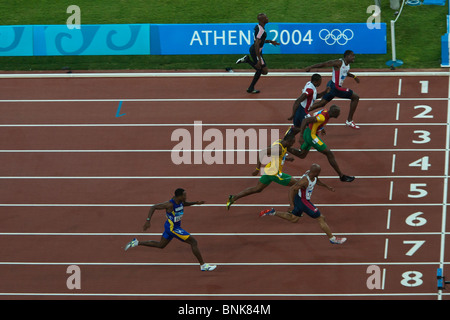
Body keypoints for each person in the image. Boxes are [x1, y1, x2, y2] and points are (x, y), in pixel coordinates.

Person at [124, 188, 216, 272]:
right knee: (193, 242)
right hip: (173, 229)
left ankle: (136, 242)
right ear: (179, 196)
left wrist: (195, 203)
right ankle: (203, 265)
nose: (186, 197)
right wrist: (148, 221)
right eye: (184, 195)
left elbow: (184, 204)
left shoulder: (180, 201)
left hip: (169, 227)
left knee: (161, 245)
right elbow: (154, 207)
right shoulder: (169, 204)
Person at [259, 163, 347, 244]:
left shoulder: (312, 175)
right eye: (319, 172)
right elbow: (292, 189)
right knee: (320, 217)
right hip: (303, 201)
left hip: (299, 199)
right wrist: (291, 205)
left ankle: (272, 212)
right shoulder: (305, 181)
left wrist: (327, 186)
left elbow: (317, 180)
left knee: (294, 219)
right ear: (316, 172)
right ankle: (332, 239)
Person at [226, 132, 298, 210]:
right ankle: (293, 208)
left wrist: (287, 158)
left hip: (269, 170)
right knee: (298, 184)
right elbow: (262, 152)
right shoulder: (278, 149)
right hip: (275, 173)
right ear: (288, 141)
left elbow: (270, 150)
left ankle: (233, 198)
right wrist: (257, 169)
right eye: (292, 143)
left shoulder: (279, 142)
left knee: (258, 188)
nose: (292, 145)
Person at [289, 105, 355, 182]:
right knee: (329, 153)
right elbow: (305, 120)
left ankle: (285, 147)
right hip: (311, 136)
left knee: (302, 155)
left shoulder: (325, 111)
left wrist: (321, 127)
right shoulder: (322, 117)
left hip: (309, 132)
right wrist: (301, 136)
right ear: (334, 113)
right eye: (338, 113)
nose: (339, 115)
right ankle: (342, 176)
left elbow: (315, 114)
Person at [304, 50, 361, 129]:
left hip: (331, 85)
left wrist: (354, 77)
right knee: (356, 97)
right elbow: (325, 64)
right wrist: (311, 67)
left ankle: (303, 111)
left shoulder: (347, 65)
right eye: (352, 56)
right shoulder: (338, 63)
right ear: (347, 56)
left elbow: (345, 72)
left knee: (322, 103)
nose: (354, 57)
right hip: (335, 88)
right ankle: (349, 120)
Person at [235, 13, 280, 94]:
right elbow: (256, 44)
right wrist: (259, 59)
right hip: (256, 51)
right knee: (263, 71)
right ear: (262, 20)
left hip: (256, 50)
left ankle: (251, 88)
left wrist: (270, 41)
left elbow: (259, 41)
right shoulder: (261, 30)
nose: (267, 18)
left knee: (261, 70)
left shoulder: (259, 27)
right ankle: (247, 60)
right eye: (266, 17)